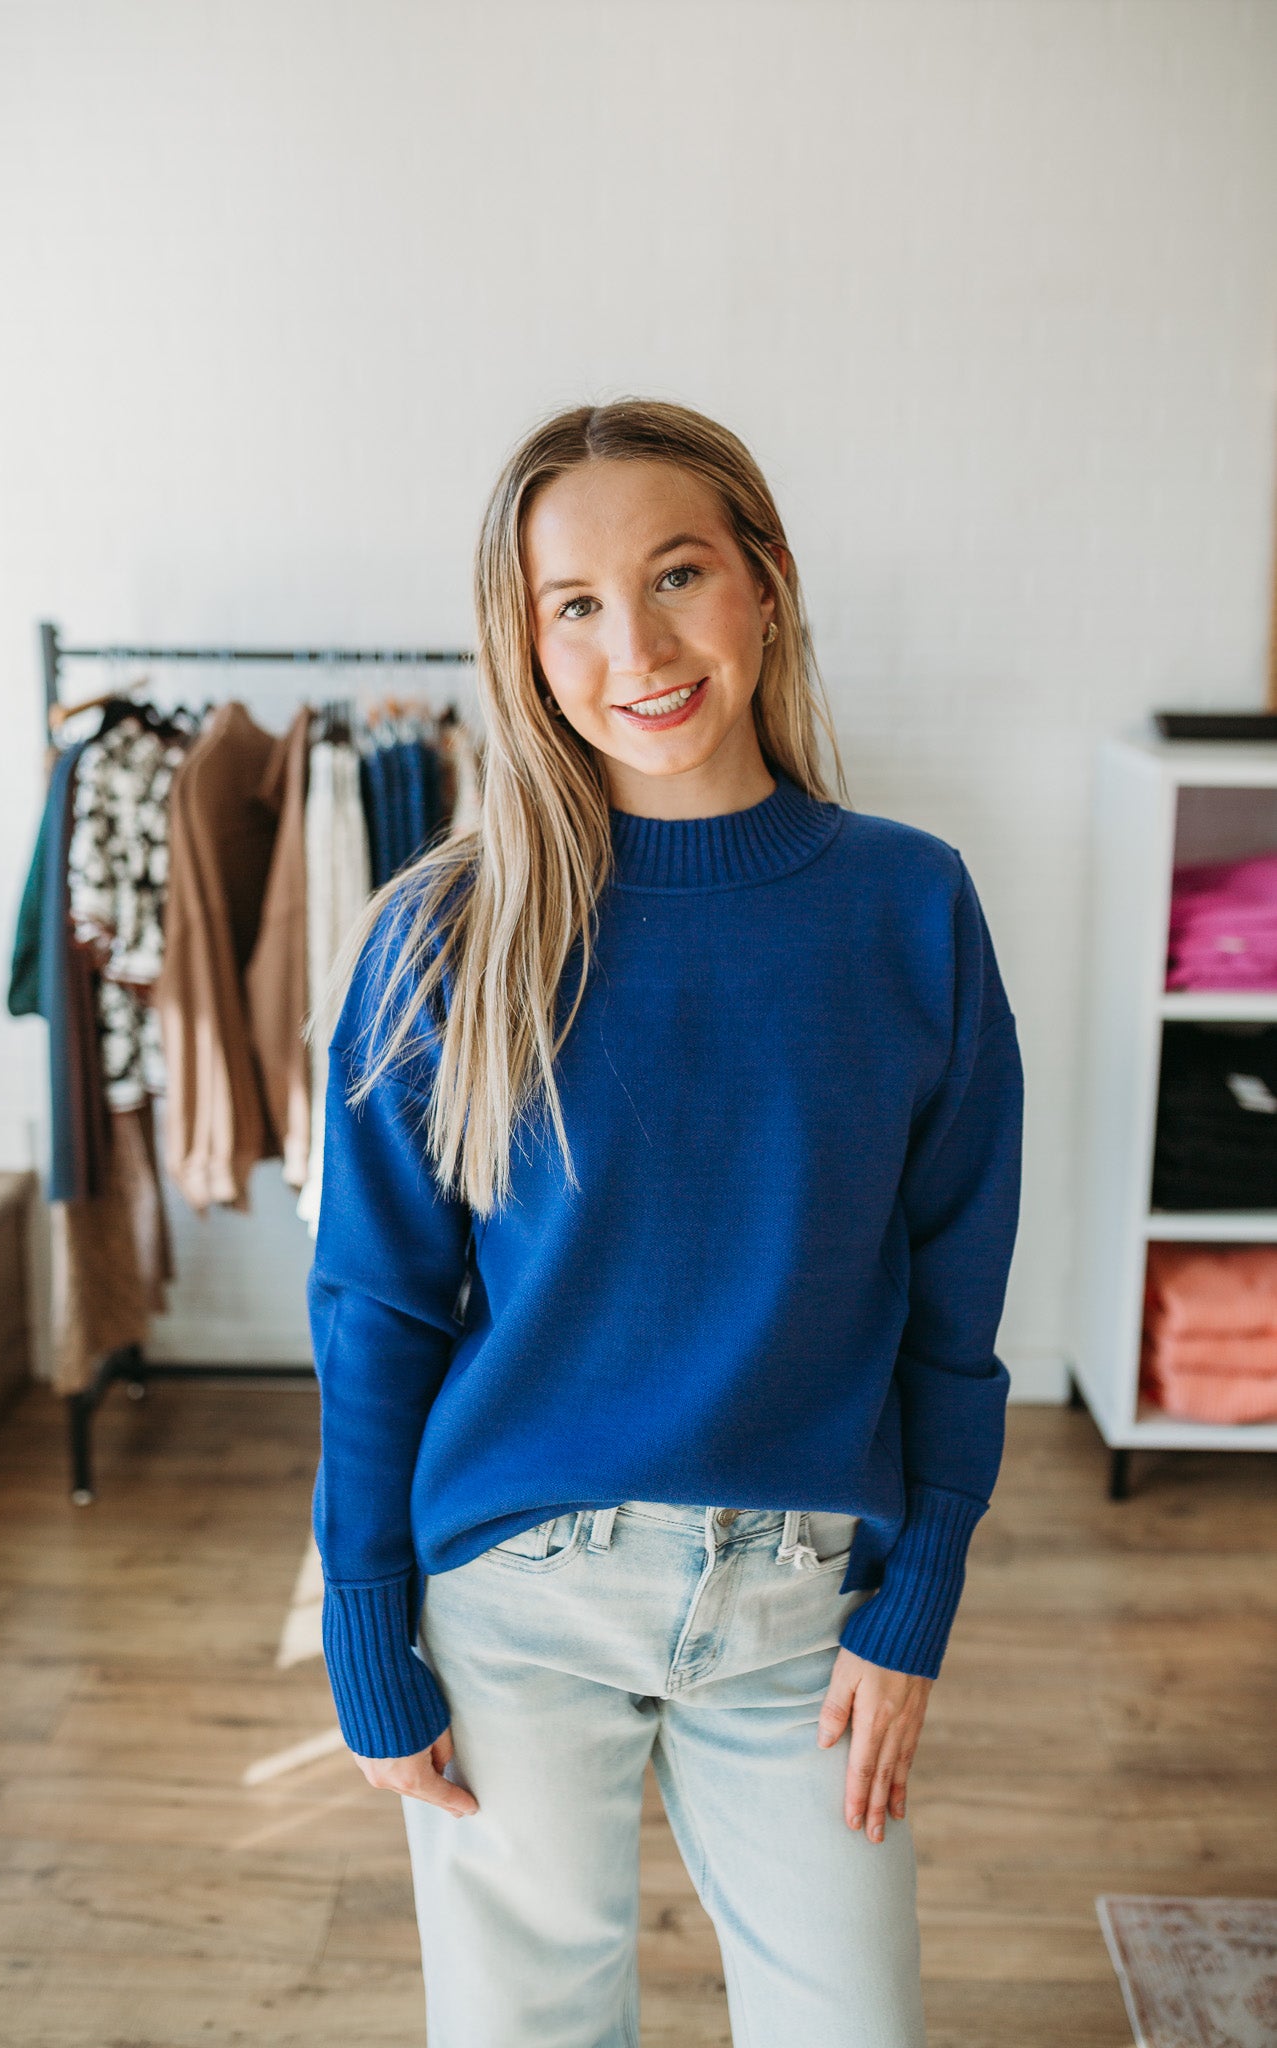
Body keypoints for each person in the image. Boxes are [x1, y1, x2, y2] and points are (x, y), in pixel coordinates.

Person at [305, 397, 1024, 2047]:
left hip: (802, 1608)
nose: (633, 642)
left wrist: (916, 1603)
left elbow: (952, 1304)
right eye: (572, 603)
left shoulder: (909, 907)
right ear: (525, 641)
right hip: (510, 1602)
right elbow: (377, 1308)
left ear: (765, 586)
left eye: (677, 574)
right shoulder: (445, 932)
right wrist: (363, 1620)